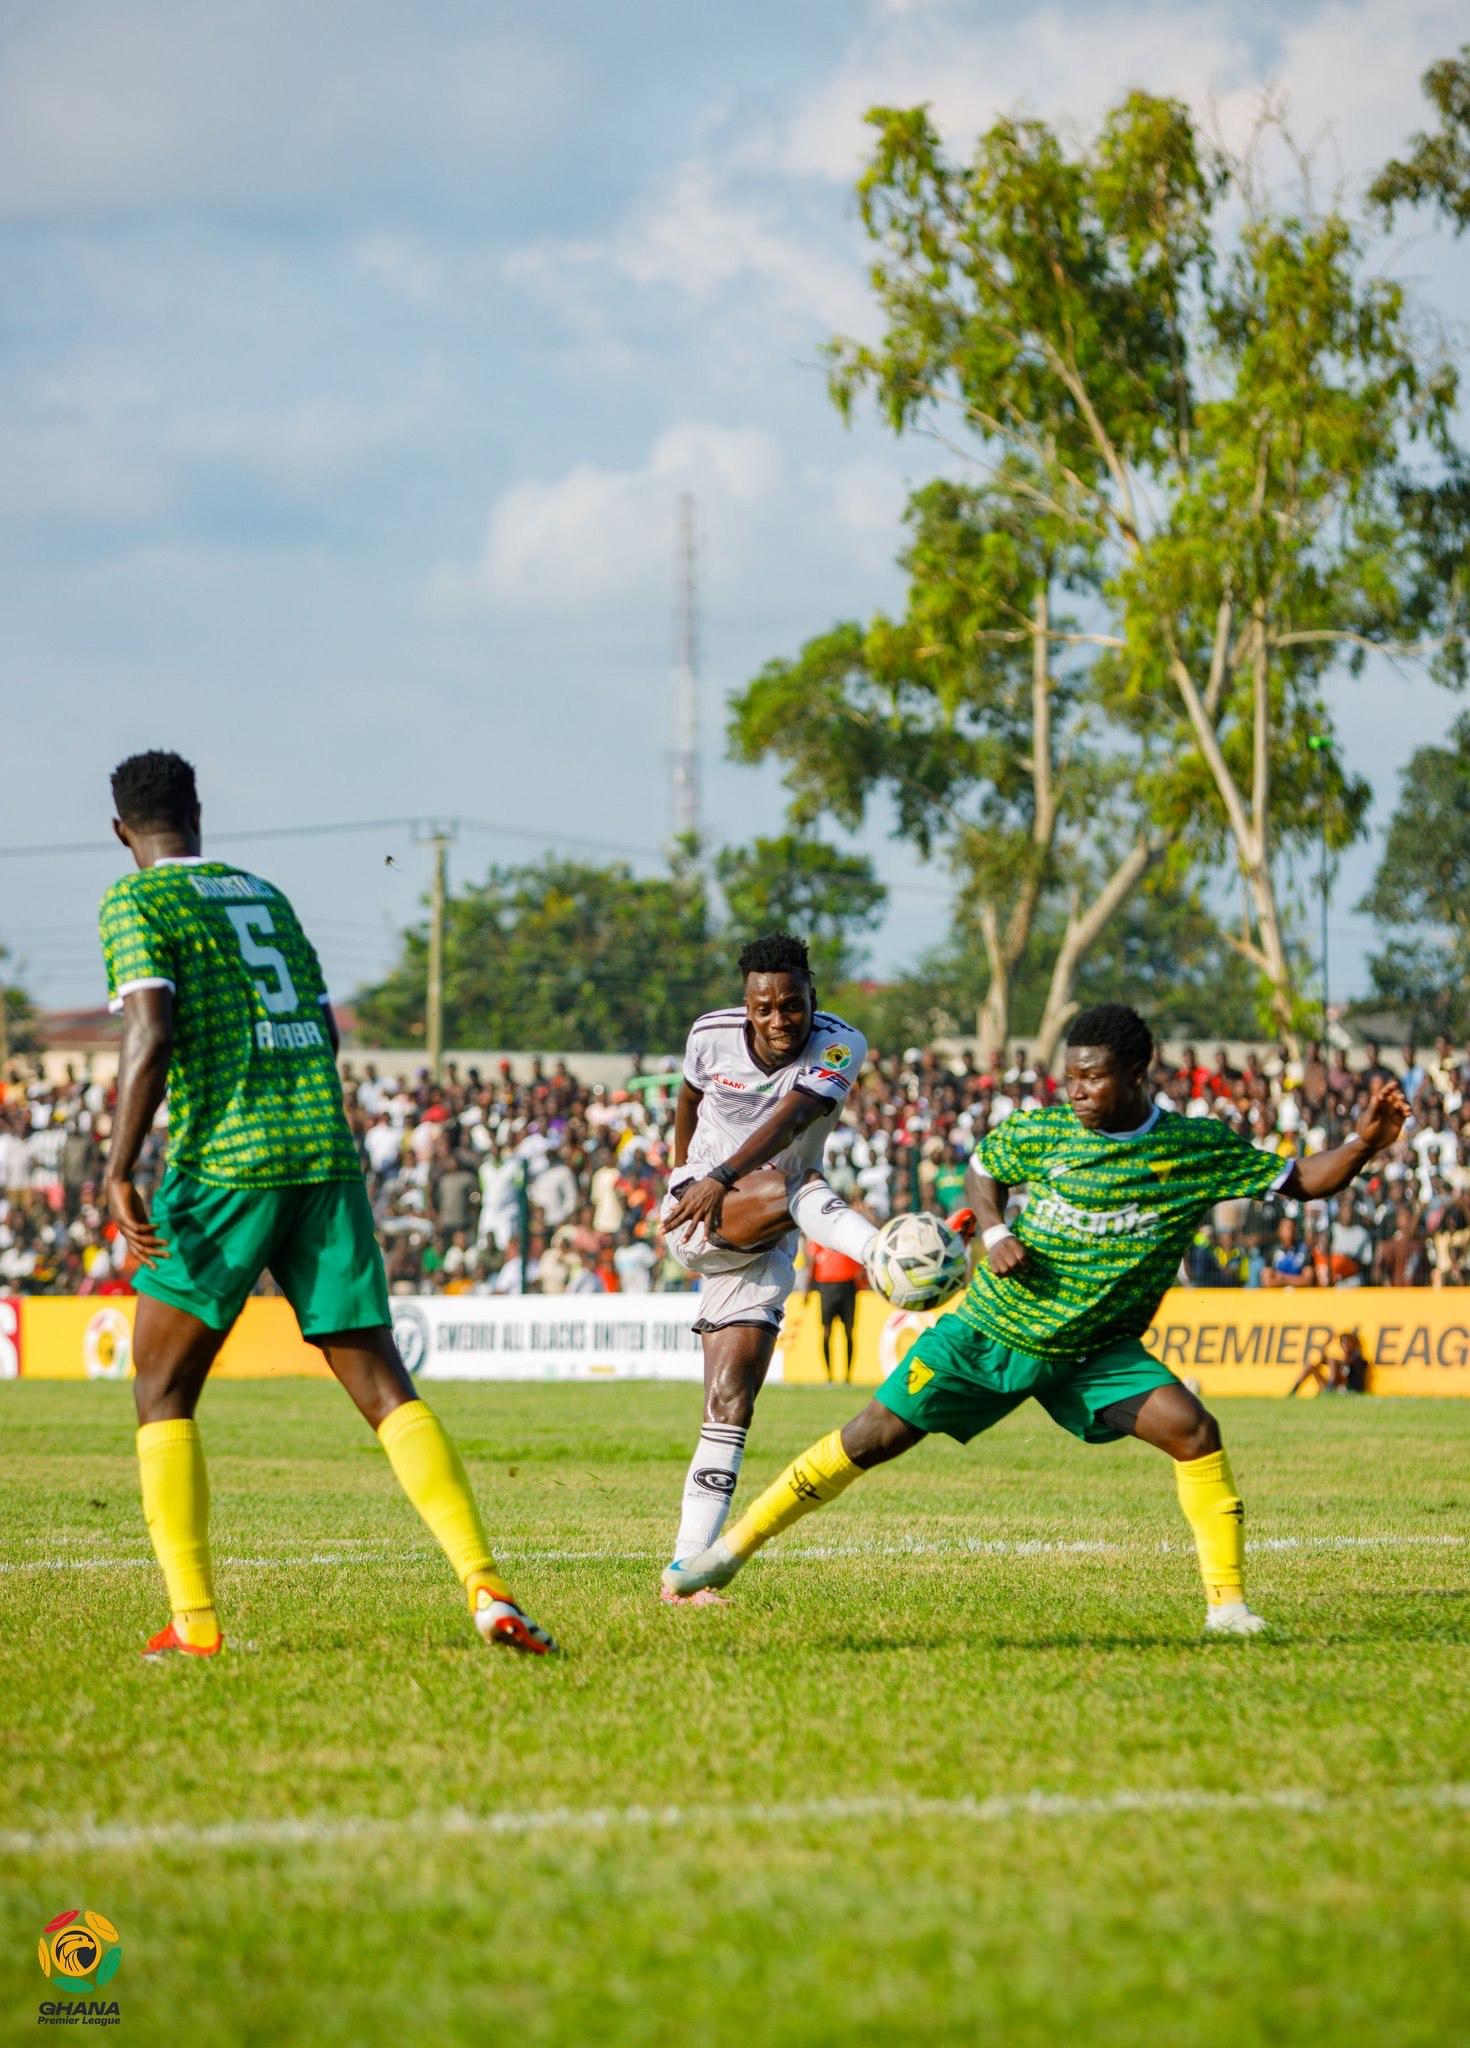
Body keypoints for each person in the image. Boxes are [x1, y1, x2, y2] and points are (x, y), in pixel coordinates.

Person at [664, 1002, 1408, 1636]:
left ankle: (1228, 1610)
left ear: (1139, 1071)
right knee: (869, 1441)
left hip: (1095, 1349)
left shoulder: (1194, 1148)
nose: (1077, 1090)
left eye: (1093, 1076)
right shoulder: (1044, 1132)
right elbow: (983, 1170)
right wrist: (994, 1233)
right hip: (991, 1332)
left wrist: (1366, 1145)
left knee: (1194, 1431)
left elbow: (1303, 1181)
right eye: (1070, 1076)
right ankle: (728, 1552)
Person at [99, 750, 554, 1659]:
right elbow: (324, 1023)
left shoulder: (136, 900)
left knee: (161, 1389)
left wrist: (117, 1166)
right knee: (383, 1383)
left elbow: (149, 1031)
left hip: (225, 1161)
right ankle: (484, 1583)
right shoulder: (265, 896)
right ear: (198, 811)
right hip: (323, 1153)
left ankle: (194, 1628)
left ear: (121, 833)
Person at [657, 931, 889, 1604]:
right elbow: (688, 1097)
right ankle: (882, 1253)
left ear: (811, 995)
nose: (781, 1020)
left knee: (731, 1403)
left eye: (793, 1005)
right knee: (797, 1185)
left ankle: (684, 1575)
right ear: (746, 1004)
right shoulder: (710, 1034)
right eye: (765, 1008)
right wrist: (687, 1174)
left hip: (769, 1230)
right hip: (704, 1209)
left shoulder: (842, 1043)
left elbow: (799, 1114)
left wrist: (726, 1175)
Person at [806, 1236, 865, 1382]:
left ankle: (848, 1376)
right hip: (826, 1285)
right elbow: (812, 1260)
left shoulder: (848, 1232)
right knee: (826, 1332)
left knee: (849, 1332)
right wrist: (807, 1287)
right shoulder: (819, 1234)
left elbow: (859, 1256)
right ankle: (829, 1376)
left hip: (848, 1284)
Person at [1289, 1328, 1372, 1397]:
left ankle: (1330, 1388)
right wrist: (1326, 1344)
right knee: (1311, 1366)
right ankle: (1293, 1391)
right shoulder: (1342, 1359)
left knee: (1332, 1361)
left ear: (1353, 1343)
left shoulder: (1357, 1358)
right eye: (1342, 1342)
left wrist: (1332, 1362)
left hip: (1349, 1390)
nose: (1344, 1345)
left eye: (1347, 1342)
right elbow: (1322, 1360)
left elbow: (1344, 1364)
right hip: (1336, 1389)